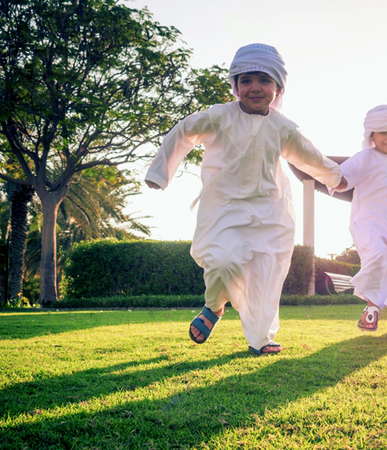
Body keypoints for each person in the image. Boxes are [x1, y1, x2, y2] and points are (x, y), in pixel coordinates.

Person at [144, 43, 346, 355]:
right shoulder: (218, 116)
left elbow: (309, 156)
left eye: (264, 81)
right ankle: (214, 307)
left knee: (266, 276)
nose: (255, 88)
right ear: (235, 85)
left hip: (270, 212)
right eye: (247, 80)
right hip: (224, 208)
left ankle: (261, 339)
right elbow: (183, 132)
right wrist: (160, 173)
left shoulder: (283, 127)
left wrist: (335, 176)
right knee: (222, 261)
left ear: (277, 89)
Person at [333, 105, 387, 340]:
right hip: (370, 223)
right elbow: (343, 176)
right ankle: (371, 309)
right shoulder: (365, 157)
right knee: (377, 259)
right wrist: (340, 182)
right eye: (383, 132)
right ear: (371, 135)